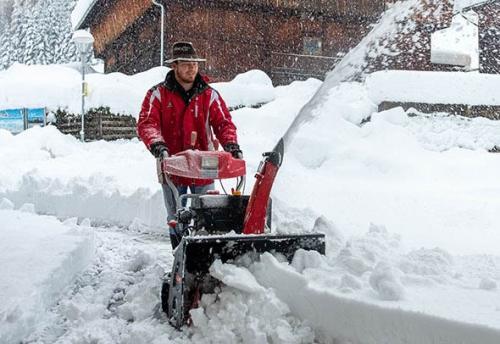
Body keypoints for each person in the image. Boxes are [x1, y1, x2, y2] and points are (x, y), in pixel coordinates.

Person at [137, 41, 242, 249]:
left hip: (205, 163)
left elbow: (223, 123)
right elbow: (147, 123)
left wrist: (231, 145)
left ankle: (202, 254)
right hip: (172, 162)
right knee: (176, 215)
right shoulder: (157, 94)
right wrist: (158, 145)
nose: (191, 68)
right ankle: (179, 254)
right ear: (174, 66)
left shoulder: (209, 95)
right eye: (186, 64)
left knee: (206, 210)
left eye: (194, 64)